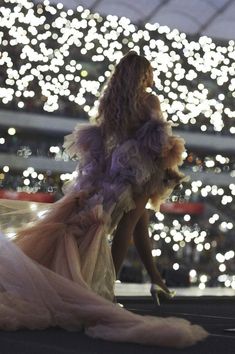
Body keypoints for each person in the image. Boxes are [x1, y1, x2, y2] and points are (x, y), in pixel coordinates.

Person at [0, 51, 208, 347]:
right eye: (149, 71)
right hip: (140, 171)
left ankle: (156, 281)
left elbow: (104, 138)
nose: (152, 77)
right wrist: (169, 170)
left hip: (110, 170)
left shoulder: (109, 101)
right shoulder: (149, 100)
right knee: (126, 229)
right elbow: (158, 141)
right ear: (142, 74)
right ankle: (106, 292)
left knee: (139, 224)